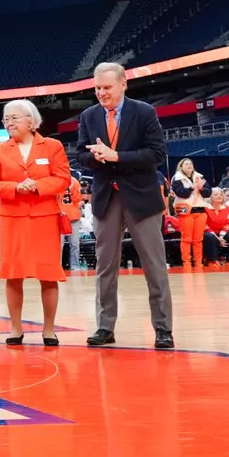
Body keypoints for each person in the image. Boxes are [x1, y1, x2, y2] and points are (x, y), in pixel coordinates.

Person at [70, 62, 174, 349]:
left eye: (107, 87)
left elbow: (156, 154)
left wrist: (116, 156)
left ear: (123, 84)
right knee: (105, 266)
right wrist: (96, 157)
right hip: (107, 197)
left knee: (154, 266)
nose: (101, 93)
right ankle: (105, 327)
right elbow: (81, 155)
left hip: (141, 196)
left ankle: (163, 329)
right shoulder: (89, 116)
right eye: (97, 88)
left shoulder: (144, 112)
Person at [0, 100, 70, 346]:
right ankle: (15, 327)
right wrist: (16, 188)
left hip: (45, 217)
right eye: (6, 119)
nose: (8, 122)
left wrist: (38, 186)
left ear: (31, 121)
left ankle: (49, 329)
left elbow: (63, 178)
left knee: (48, 274)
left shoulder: (52, 146)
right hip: (12, 218)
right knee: (13, 274)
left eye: (14, 118)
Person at [169, 157, 208, 270]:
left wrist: (201, 188)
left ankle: (198, 262)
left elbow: (208, 193)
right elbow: (182, 194)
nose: (189, 165)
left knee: (198, 239)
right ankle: (186, 262)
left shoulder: (200, 177)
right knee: (186, 238)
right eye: (186, 164)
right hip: (186, 212)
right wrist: (192, 187)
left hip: (200, 210)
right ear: (181, 167)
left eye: (191, 164)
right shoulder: (176, 178)